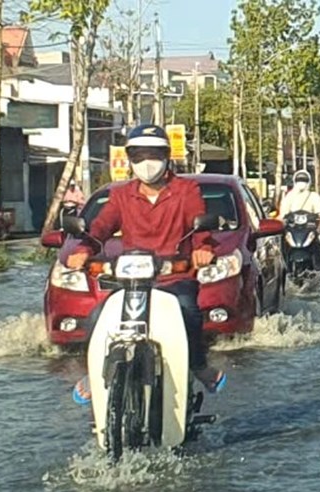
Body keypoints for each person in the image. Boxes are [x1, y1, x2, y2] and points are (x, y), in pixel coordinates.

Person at [66, 124, 225, 404]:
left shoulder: (186, 190)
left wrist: (202, 250)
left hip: (174, 277)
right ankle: (94, 371)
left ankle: (199, 366)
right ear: (129, 159)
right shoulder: (121, 195)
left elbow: (200, 227)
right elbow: (100, 227)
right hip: (131, 282)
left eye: (153, 154)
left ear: (166, 157)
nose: (146, 162)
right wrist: (83, 248)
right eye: (138, 155)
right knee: (97, 317)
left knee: (189, 313)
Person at [279, 170, 320, 270]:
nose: (302, 183)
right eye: (299, 180)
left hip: (309, 229)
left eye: (304, 180)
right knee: (283, 244)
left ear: (309, 182)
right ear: (294, 181)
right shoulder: (289, 197)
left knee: (316, 244)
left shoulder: (314, 196)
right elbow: (282, 215)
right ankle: (285, 267)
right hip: (293, 229)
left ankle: (317, 266)